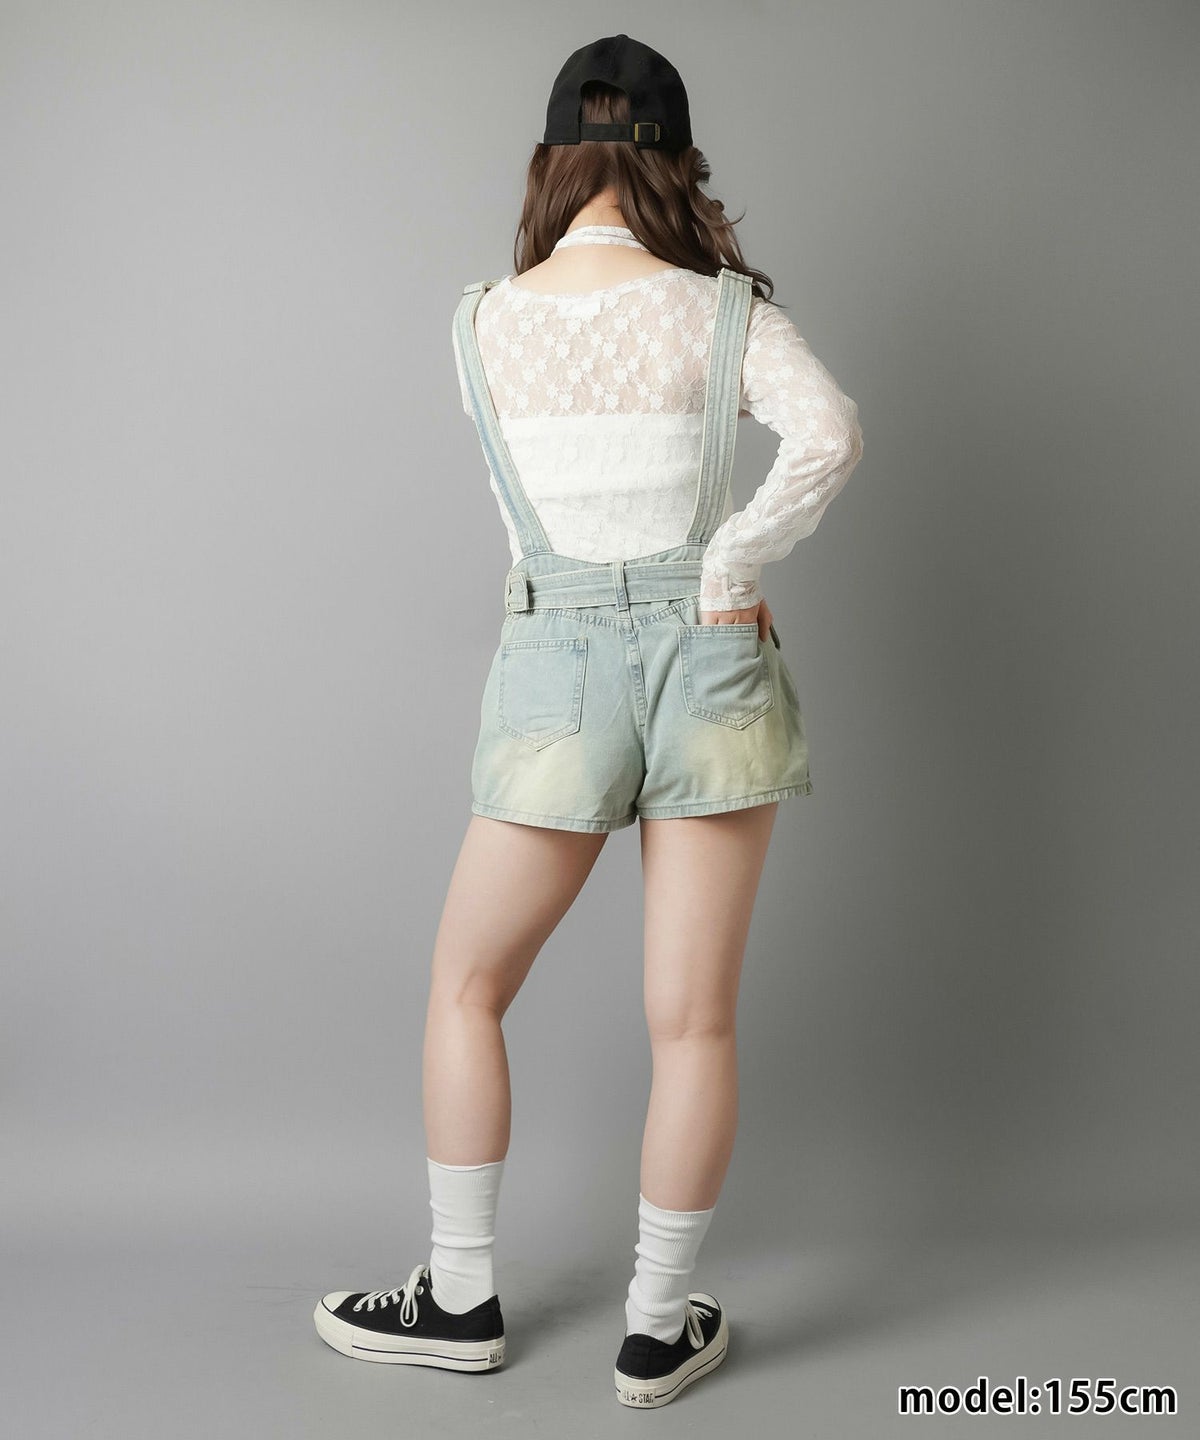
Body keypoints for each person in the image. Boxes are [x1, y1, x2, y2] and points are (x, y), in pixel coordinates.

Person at [313, 33, 863, 1409]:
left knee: (467, 988)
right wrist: (729, 565)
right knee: (694, 1024)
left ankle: (458, 1298)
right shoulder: (722, 311)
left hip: (554, 660)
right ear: (677, 160)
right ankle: (654, 1332)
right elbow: (832, 433)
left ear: (554, 159)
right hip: (711, 653)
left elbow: (531, 526)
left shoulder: (484, 322)